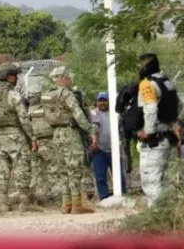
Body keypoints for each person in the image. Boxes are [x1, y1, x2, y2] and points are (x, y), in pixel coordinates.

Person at [39, 67, 98, 214]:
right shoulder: (66, 94)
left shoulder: (46, 95)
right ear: (63, 78)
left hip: (56, 134)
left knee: (62, 170)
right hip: (70, 132)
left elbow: (46, 117)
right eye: (69, 78)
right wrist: (91, 130)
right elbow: (78, 114)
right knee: (74, 168)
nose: (70, 81)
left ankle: (66, 204)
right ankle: (77, 205)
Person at [0, 62, 35, 212]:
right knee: (22, 167)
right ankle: (23, 202)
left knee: (3, 170)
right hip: (16, 135)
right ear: (8, 77)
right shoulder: (14, 95)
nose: (16, 79)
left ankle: (3, 202)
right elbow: (24, 118)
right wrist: (32, 137)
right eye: (14, 76)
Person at [135, 53, 180, 206]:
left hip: (155, 141)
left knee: (151, 183)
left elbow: (151, 108)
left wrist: (148, 131)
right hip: (167, 136)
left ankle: (155, 221)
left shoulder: (147, 84)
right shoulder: (167, 82)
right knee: (165, 182)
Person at [90, 92, 127, 200]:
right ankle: (104, 198)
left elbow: (122, 129)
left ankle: (123, 196)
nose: (102, 103)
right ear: (96, 102)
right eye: (100, 100)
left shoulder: (116, 114)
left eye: (104, 100)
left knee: (119, 176)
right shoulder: (92, 114)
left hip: (115, 150)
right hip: (99, 150)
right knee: (100, 177)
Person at [22, 74, 47, 205]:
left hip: (45, 141)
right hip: (30, 143)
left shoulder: (45, 107)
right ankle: (35, 195)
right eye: (30, 95)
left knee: (51, 169)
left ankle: (50, 195)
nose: (31, 97)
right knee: (35, 170)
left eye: (34, 95)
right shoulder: (24, 108)